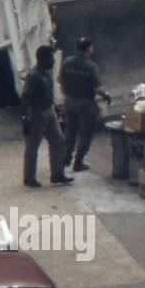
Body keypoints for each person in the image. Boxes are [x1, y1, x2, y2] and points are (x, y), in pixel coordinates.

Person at [21, 44, 73, 188]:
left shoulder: (47, 74)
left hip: (49, 112)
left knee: (59, 141)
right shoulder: (34, 76)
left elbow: (49, 94)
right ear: (43, 59)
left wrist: (55, 108)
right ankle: (29, 178)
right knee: (32, 147)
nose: (53, 61)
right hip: (36, 114)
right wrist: (25, 118)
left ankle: (57, 174)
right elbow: (25, 97)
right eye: (51, 58)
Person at [58, 36, 112, 172]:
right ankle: (78, 162)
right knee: (85, 133)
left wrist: (66, 94)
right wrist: (106, 95)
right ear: (89, 49)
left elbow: (61, 81)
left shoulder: (67, 62)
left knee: (70, 131)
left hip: (69, 101)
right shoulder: (90, 66)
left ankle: (65, 159)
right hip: (85, 103)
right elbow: (98, 88)